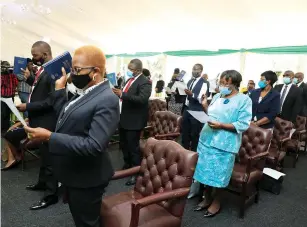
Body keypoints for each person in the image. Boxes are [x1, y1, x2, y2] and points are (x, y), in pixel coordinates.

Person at [25, 45, 119, 227]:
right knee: (81, 218)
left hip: (88, 177)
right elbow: (66, 117)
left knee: (87, 222)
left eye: (77, 70)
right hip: (75, 172)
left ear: (95, 72)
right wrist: (60, 90)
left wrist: (50, 137)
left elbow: (94, 145)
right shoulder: (86, 92)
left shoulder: (107, 99)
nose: (72, 74)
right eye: (72, 69)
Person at [193, 70, 252, 217]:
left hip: (225, 144)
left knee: (219, 174)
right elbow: (212, 115)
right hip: (206, 139)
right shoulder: (218, 96)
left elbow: (243, 124)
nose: (223, 85)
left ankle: (217, 201)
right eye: (221, 82)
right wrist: (205, 106)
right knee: (203, 171)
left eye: (226, 83)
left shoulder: (244, 100)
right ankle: (206, 197)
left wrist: (221, 125)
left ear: (235, 84)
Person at [16, 41, 58, 210]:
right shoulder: (43, 69)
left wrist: (28, 106)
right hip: (39, 120)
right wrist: (30, 78)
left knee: (50, 160)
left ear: (45, 54)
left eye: (35, 55)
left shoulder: (53, 71)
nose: (32, 58)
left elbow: (51, 101)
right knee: (44, 155)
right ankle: (42, 183)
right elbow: (41, 89)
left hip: (47, 122)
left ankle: (51, 195)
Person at [112, 59, 152, 186]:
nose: (129, 71)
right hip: (124, 117)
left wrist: (122, 94)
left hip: (134, 120)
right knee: (124, 144)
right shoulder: (129, 80)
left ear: (138, 69)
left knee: (133, 147)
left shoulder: (145, 82)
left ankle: (136, 173)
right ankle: (127, 165)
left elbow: (142, 99)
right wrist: (119, 93)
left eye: (131, 69)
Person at [181, 64, 209, 151]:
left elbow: (202, 99)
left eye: (196, 70)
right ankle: (184, 153)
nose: (194, 71)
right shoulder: (190, 81)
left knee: (194, 135)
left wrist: (191, 94)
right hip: (187, 109)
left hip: (197, 111)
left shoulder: (204, 82)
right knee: (185, 133)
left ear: (201, 71)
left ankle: (193, 155)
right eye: (193, 69)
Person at [1, 61, 18, 133]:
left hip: (11, 97)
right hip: (3, 97)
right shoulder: (1, 75)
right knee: (3, 113)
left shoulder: (12, 75)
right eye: (5, 67)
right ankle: (2, 129)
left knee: (8, 113)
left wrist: (13, 74)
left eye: (8, 67)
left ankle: (7, 128)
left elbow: (16, 84)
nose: (6, 69)